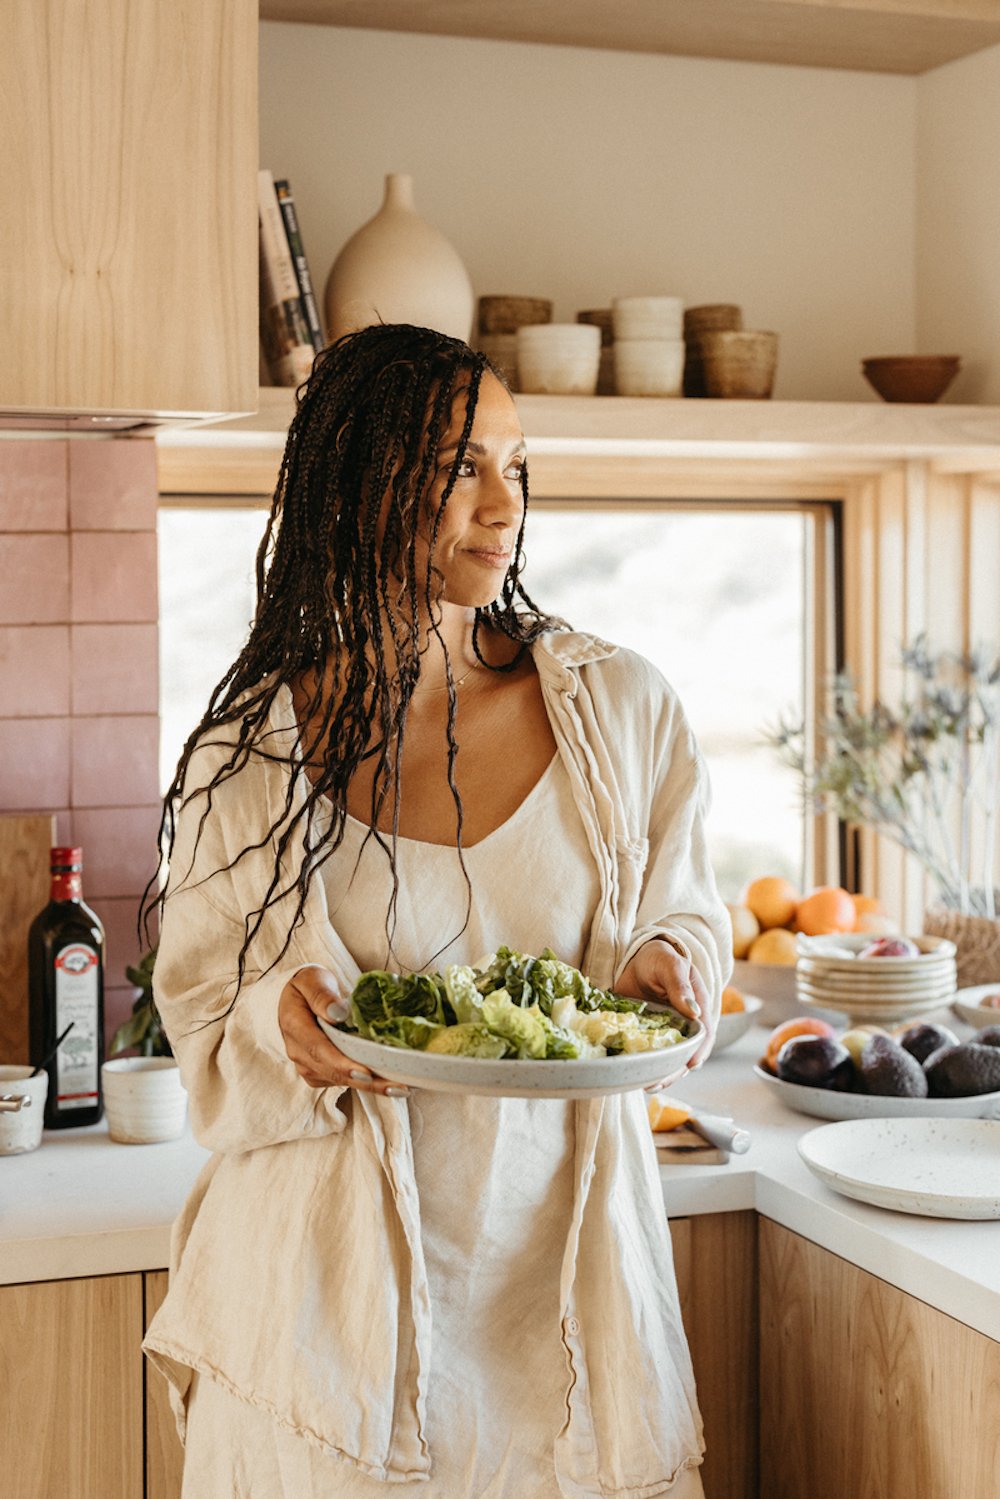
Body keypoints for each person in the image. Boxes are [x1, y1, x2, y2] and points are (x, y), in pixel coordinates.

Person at [142, 322, 732, 1499]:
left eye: (515, 464)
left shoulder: (617, 710)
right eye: (460, 464)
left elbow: (688, 913)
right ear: (358, 479)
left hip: (566, 1302)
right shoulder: (249, 751)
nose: (502, 502)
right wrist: (277, 1017)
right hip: (319, 1322)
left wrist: (674, 959)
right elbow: (202, 1012)